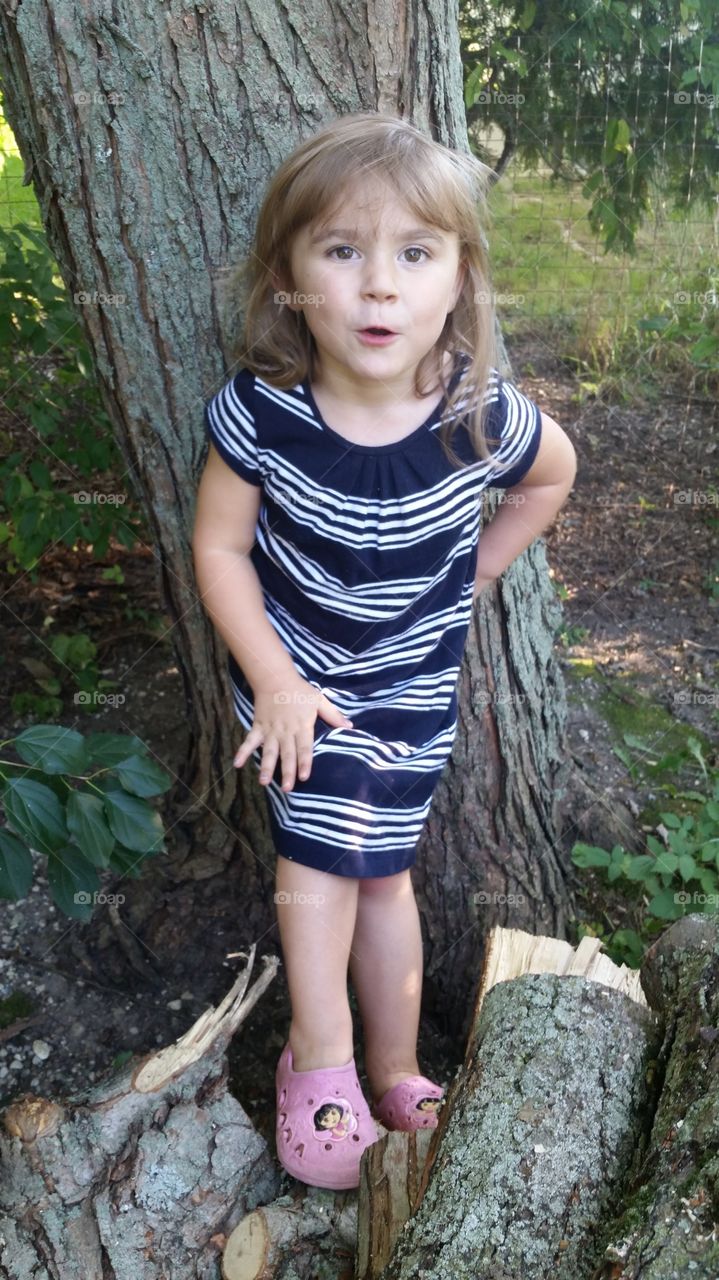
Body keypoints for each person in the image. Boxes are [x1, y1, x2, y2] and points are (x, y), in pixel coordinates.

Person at [192, 112, 577, 1191]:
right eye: (341, 251)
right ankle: (314, 1057)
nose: (377, 287)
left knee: (383, 874)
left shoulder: (474, 413)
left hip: (408, 685)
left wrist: (479, 573)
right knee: (319, 855)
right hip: (293, 677)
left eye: (414, 253)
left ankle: (394, 1062)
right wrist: (270, 678)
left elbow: (553, 474)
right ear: (288, 279)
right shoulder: (265, 411)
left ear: (459, 279)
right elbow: (217, 546)